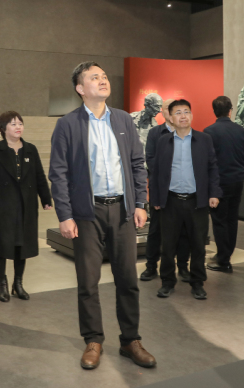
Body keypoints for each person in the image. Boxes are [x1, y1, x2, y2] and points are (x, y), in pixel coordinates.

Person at [49, 61, 156, 370]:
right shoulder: (67, 124)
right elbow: (58, 173)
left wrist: (140, 203)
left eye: (104, 76)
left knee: (128, 279)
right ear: (80, 88)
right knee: (88, 281)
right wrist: (65, 215)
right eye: (94, 77)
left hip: (122, 211)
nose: (103, 80)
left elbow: (137, 164)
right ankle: (93, 340)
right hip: (87, 213)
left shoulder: (122, 119)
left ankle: (130, 340)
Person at [0, 111, 52, 302]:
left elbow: (39, 176)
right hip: (2, 205)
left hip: (25, 205)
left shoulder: (30, 150)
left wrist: (45, 198)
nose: (18, 127)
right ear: (3, 129)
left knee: (22, 245)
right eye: (13, 124)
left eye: (20, 123)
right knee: (0, 245)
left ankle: (18, 284)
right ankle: (2, 284)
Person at [150, 100, 222, 300]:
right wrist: (155, 198)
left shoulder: (204, 139)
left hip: (196, 201)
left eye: (186, 112)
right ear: (171, 118)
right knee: (168, 245)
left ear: (191, 115)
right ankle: (167, 282)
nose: (183, 116)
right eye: (178, 112)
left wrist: (214, 193)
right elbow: (156, 172)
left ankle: (197, 283)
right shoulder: (163, 141)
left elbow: (213, 168)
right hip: (171, 201)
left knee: (198, 245)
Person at [140, 99, 191, 282]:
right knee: (156, 230)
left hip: (183, 191)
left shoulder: (188, 133)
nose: (174, 112)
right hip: (161, 190)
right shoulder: (155, 133)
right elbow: (151, 160)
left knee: (183, 230)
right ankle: (151, 266)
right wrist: (168, 176)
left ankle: (183, 266)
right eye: (169, 109)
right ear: (163, 112)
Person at [203, 95, 244, 273]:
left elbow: (207, 160)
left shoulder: (209, 132)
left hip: (218, 183)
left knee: (219, 221)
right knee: (232, 219)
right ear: (230, 110)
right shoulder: (241, 131)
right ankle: (227, 254)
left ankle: (223, 259)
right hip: (237, 181)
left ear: (214, 111)